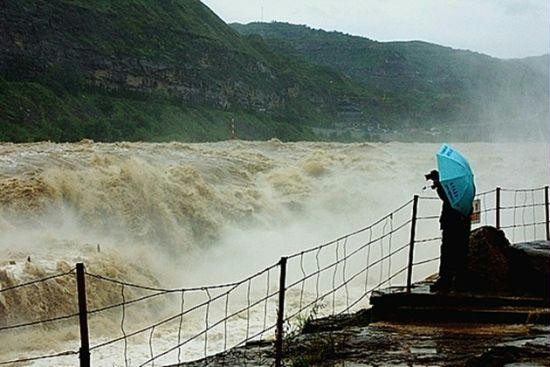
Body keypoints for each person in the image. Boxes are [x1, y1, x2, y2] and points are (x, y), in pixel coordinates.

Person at [425, 170, 472, 292]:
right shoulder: (465, 194)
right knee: (461, 252)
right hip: (463, 225)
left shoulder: (451, 192)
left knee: (447, 252)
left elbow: (446, 198)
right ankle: (461, 281)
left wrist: (438, 184)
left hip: (451, 224)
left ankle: (446, 281)